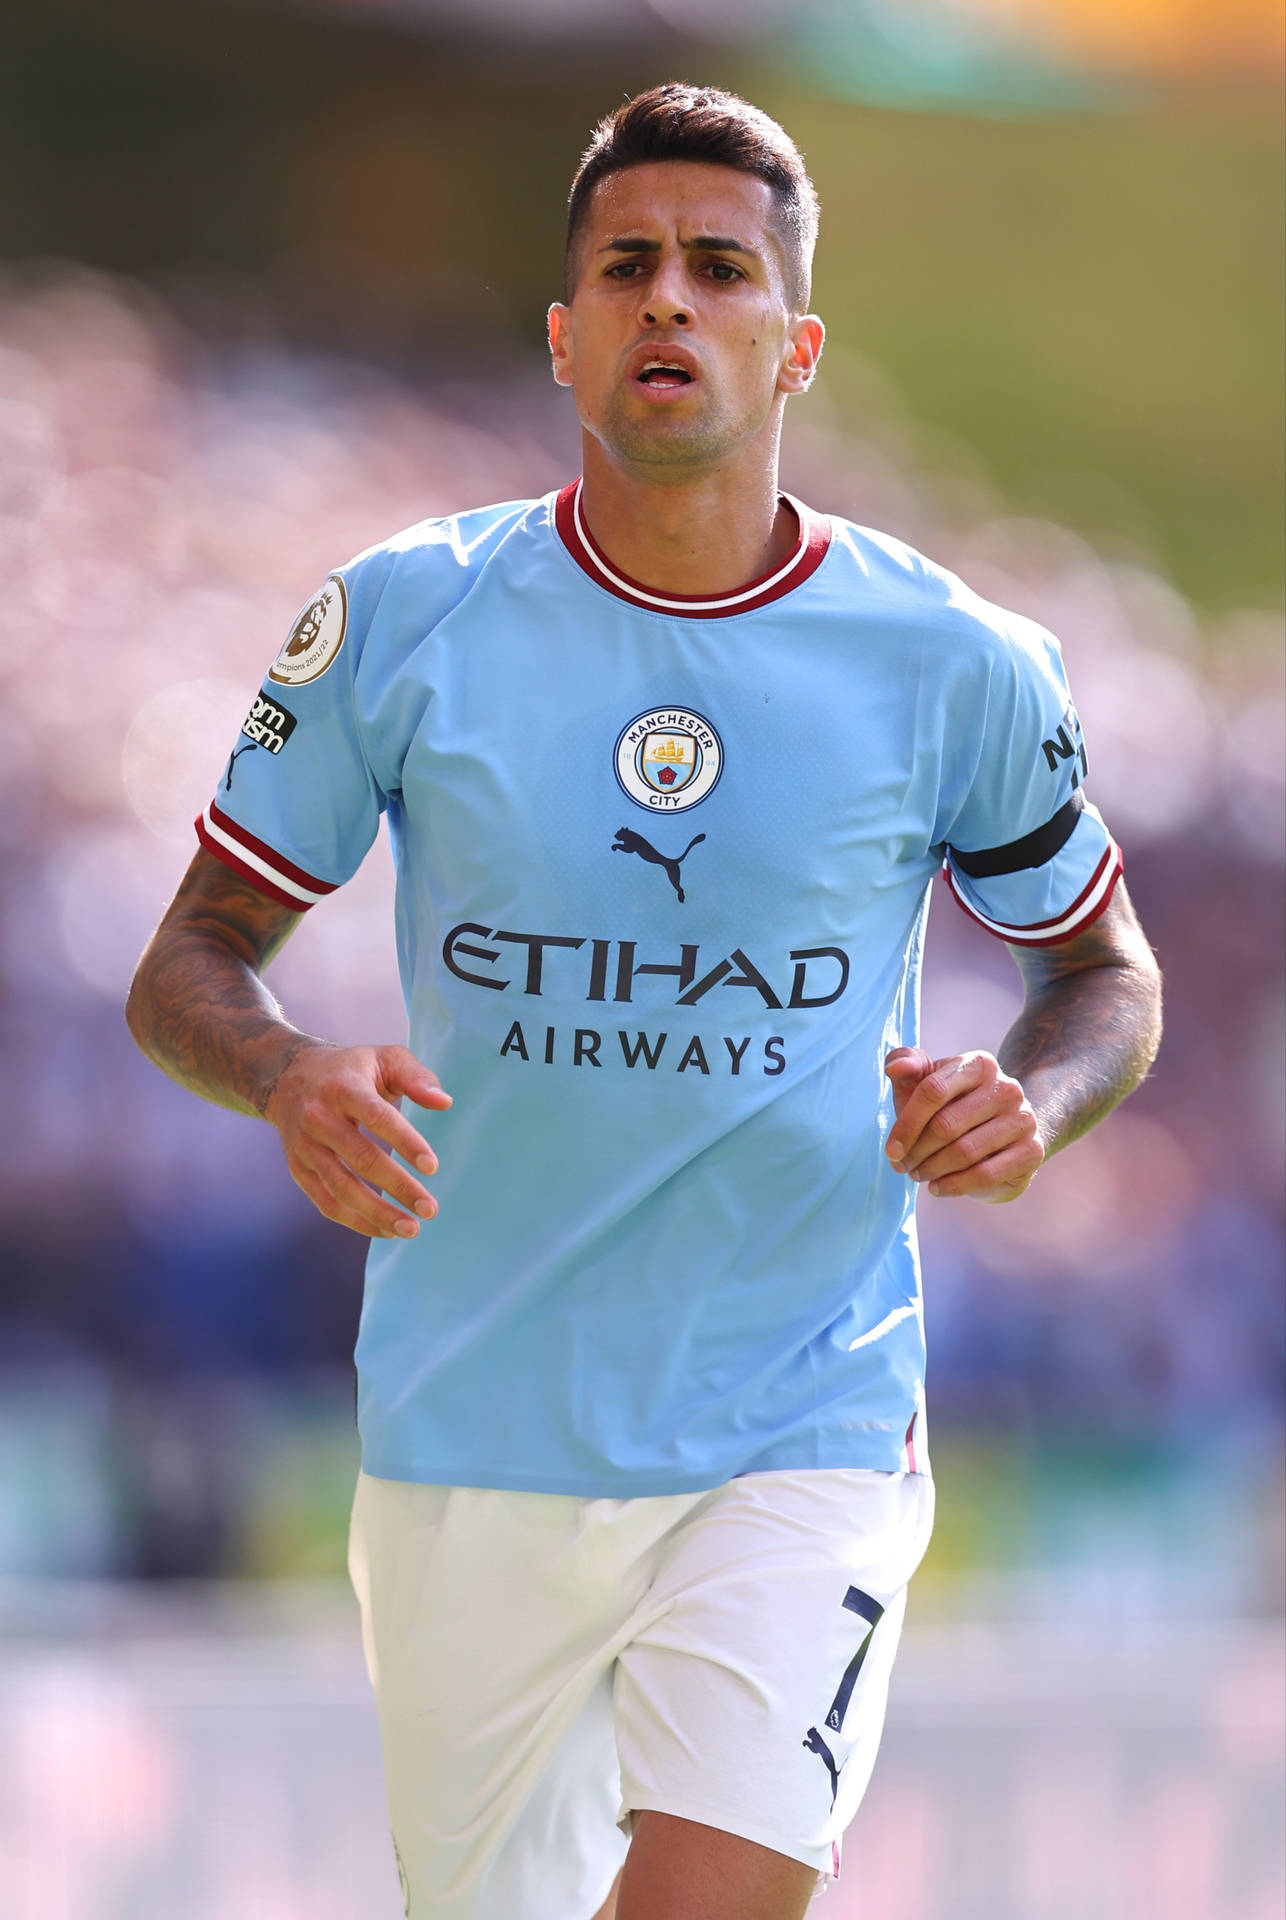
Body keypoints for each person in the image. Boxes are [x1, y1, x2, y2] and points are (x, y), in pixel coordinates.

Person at [126, 82, 1162, 1920]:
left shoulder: (956, 662)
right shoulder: (401, 620)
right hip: (473, 1430)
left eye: (717, 269)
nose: (668, 301)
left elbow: (1101, 976)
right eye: (625, 267)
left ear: (795, 340)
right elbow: (186, 966)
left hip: (799, 1420)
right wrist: (287, 1081)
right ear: (562, 333)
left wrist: (1034, 1099)